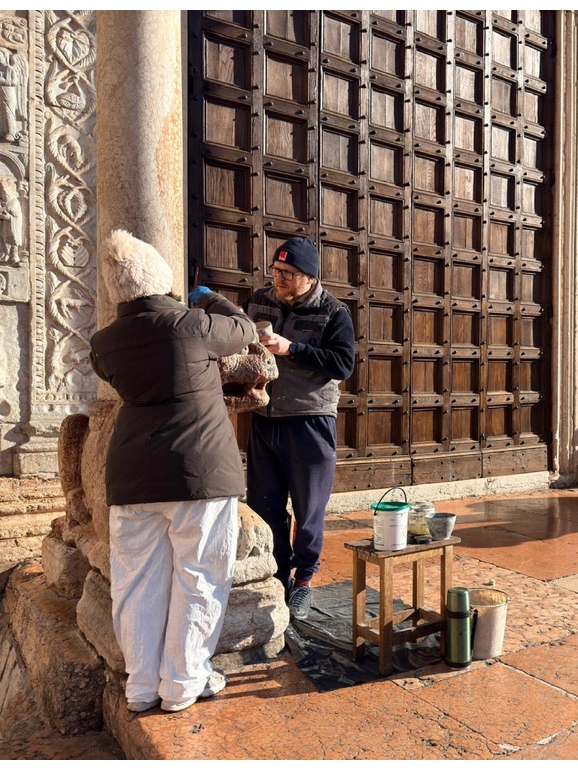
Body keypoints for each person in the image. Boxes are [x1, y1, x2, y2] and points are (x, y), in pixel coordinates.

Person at [89, 229, 256, 713]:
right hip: (198, 473)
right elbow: (243, 330)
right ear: (161, 278)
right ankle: (182, 684)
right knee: (199, 577)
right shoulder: (191, 324)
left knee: (136, 582)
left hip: (131, 477)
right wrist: (214, 301)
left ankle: (141, 687)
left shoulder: (104, 344)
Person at [241, 237, 355, 622]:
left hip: (310, 422)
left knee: (308, 514)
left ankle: (303, 582)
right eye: (275, 270)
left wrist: (292, 349)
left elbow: (342, 365)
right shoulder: (259, 300)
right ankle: (278, 577)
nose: (279, 279)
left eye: (287, 274)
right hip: (264, 419)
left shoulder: (333, 311)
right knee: (265, 506)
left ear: (309, 277)